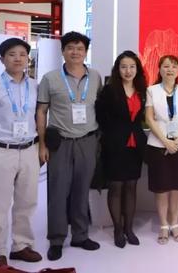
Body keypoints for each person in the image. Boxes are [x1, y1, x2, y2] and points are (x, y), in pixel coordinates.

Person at [37, 31, 103, 261]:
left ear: (86, 52)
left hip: (87, 141)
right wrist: (42, 144)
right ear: (63, 51)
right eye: (70, 48)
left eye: (80, 48)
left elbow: (99, 107)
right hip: (60, 143)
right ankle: (56, 239)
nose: (75, 52)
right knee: (57, 191)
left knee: (82, 190)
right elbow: (41, 111)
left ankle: (80, 235)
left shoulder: (95, 77)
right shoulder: (50, 78)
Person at [0, 38, 42, 266]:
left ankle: (21, 246)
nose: (18, 59)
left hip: (30, 150)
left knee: (27, 202)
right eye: (12, 54)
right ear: (2, 59)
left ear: (28, 59)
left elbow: (40, 117)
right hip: (2, 151)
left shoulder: (35, 86)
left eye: (22, 54)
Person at [95, 50, 148, 248]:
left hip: (135, 145)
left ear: (137, 69)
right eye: (124, 67)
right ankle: (118, 229)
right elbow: (100, 115)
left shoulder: (142, 89)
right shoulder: (110, 90)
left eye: (132, 67)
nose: (128, 71)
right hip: (115, 145)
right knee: (116, 187)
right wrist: (113, 134)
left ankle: (129, 228)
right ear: (118, 69)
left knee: (131, 186)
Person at [144, 55, 178, 245]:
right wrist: (166, 141)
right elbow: (149, 118)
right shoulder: (152, 90)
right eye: (166, 66)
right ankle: (164, 225)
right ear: (159, 69)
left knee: (177, 188)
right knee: (162, 188)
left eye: (173, 66)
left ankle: (175, 223)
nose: (170, 69)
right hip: (158, 144)